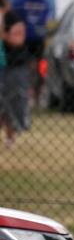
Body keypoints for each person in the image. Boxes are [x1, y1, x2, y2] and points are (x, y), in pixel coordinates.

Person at [11, 0, 49, 104]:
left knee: (25, 66)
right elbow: (45, 18)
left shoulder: (19, 1)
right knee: (41, 63)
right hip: (39, 38)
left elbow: (14, 16)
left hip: (24, 38)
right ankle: (38, 91)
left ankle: (27, 93)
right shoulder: (44, 2)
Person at [0, 9, 31, 148]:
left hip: (5, 65)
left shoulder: (9, 16)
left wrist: (4, 35)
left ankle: (10, 136)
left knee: (7, 103)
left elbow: (19, 37)